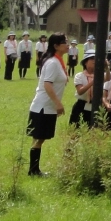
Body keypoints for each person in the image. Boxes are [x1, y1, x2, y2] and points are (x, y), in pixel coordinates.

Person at [26, 33, 69, 176]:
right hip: (43, 106)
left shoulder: (58, 61)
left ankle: (34, 169)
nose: (67, 45)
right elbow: (47, 85)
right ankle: (33, 170)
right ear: (56, 46)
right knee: (39, 138)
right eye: (65, 42)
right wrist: (58, 103)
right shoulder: (52, 63)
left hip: (47, 106)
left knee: (40, 138)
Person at [70, 51, 96, 128]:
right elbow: (80, 91)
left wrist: (106, 67)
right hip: (81, 104)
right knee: (76, 128)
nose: (94, 61)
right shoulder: (80, 76)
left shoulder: (100, 75)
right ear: (85, 62)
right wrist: (92, 82)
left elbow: (108, 78)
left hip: (95, 105)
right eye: (91, 59)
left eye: (95, 59)